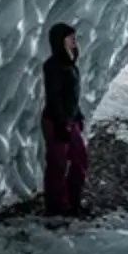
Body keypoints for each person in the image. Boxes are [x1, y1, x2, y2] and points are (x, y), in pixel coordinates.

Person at [41, 22, 89, 218]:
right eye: (69, 38)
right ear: (59, 41)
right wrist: (62, 122)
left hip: (70, 120)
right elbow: (54, 96)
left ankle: (73, 203)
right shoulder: (53, 65)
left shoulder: (71, 65)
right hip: (56, 121)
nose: (73, 41)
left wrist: (77, 115)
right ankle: (56, 208)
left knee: (79, 160)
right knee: (58, 164)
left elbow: (72, 95)